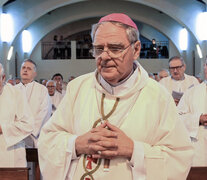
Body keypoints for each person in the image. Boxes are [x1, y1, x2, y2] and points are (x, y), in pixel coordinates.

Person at [38, 13, 193, 180]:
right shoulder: (78, 88)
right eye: (98, 49)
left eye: (115, 48)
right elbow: (47, 142)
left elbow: (179, 158)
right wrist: (76, 144)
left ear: (136, 49)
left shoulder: (158, 96)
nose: (104, 56)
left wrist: (134, 150)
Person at [0, 63, 33, 167]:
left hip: (10, 156)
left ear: (3, 77)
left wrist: (3, 128)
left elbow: (28, 124)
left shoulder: (15, 94)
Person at [177, 57, 207, 166]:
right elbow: (177, 119)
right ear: (204, 67)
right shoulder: (192, 92)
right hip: (200, 151)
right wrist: (198, 118)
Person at [16, 59, 52, 148]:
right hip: (15, 135)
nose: (25, 70)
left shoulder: (42, 90)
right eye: (23, 68)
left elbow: (44, 112)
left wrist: (30, 131)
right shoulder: (13, 90)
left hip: (34, 135)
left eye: (29, 68)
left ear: (35, 73)